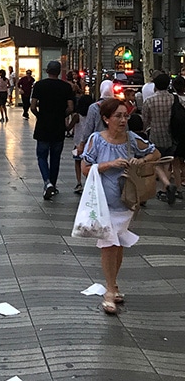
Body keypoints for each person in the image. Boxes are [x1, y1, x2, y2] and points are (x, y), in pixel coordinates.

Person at [81, 98, 160, 314]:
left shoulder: (131, 140)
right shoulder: (96, 140)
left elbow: (155, 153)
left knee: (117, 246)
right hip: (102, 202)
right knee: (109, 244)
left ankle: (113, 285)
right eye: (118, 116)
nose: (123, 120)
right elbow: (85, 168)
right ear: (106, 119)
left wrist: (141, 161)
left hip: (125, 201)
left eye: (126, 115)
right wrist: (109, 165)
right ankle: (109, 290)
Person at [30, 61, 74, 200]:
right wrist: (62, 115)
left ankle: (47, 183)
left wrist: (40, 116)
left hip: (43, 126)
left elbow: (32, 106)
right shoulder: (66, 87)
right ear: (59, 71)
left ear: (47, 71)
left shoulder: (39, 85)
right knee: (55, 158)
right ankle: (52, 185)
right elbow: (71, 107)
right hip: (58, 126)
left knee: (42, 156)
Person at [142, 73, 179, 203]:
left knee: (155, 163)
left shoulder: (149, 101)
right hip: (171, 135)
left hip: (155, 135)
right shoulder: (174, 99)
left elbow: (145, 121)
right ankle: (165, 190)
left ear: (155, 86)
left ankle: (166, 185)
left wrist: (143, 131)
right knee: (167, 163)